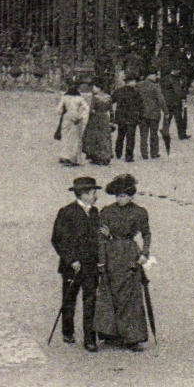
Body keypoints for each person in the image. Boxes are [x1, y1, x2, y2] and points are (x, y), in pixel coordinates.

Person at [92, 173, 152, 351]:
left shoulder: (140, 212)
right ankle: (111, 334)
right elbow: (100, 238)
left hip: (129, 254)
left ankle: (132, 337)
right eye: (118, 196)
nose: (120, 199)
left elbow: (146, 234)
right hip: (111, 254)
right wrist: (101, 261)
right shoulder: (107, 212)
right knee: (109, 294)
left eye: (124, 196)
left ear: (131, 196)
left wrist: (145, 253)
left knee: (131, 296)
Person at [51, 176, 102, 351]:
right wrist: (71, 259)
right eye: (93, 193)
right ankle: (68, 332)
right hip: (72, 267)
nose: (96, 196)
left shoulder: (95, 212)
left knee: (90, 301)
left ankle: (90, 339)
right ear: (84, 194)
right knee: (69, 299)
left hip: (90, 265)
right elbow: (58, 239)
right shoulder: (66, 212)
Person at [55, 83, 89, 166]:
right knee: (75, 138)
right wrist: (81, 116)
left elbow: (58, 110)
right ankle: (73, 157)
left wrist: (62, 113)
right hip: (76, 116)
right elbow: (87, 109)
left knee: (65, 136)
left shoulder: (64, 97)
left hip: (67, 117)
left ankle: (64, 155)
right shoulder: (80, 98)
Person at [82, 82, 115, 165]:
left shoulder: (95, 98)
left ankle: (96, 156)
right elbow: (111, 110)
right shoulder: (108, 97)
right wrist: (112, 121)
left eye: (95, 87)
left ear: (99, 88)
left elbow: (91, 110)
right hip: (105, 118)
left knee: (95, 137)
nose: (93, 89)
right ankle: (106, 155)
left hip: (96, 118)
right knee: (105, 137)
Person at [112, 76, 143, 163]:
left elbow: (112, 100)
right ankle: (129, 156)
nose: (135, 83)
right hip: (132, 118)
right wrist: (140, 116)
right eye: (134, 81)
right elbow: (141, 105)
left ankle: (118, 152)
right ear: (130, 82)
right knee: (130, 137)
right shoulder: (136, 92)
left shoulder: (119, 91)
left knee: (120, 135)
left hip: (121, 117)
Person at [137, 72, 165, 159]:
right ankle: (154, 152)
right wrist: (166, 111)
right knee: (154, 134)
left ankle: (144, 153)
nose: (157, 77)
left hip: (142, 113)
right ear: (151, 75)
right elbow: (161, 100)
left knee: (143, 135)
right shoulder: (155, 86)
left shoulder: (139, 85)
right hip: (154, 113)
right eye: (155, 75)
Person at [161, 69, 191, 148]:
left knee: (168, 118)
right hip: (175, 101)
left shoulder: (166, 78)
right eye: (178, 70)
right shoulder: (174, 79)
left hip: (169, 101)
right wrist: (184, 95)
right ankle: (181, 134)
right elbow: (178, 91)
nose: (179, 72)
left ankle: (165, 132)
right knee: (178, 118)